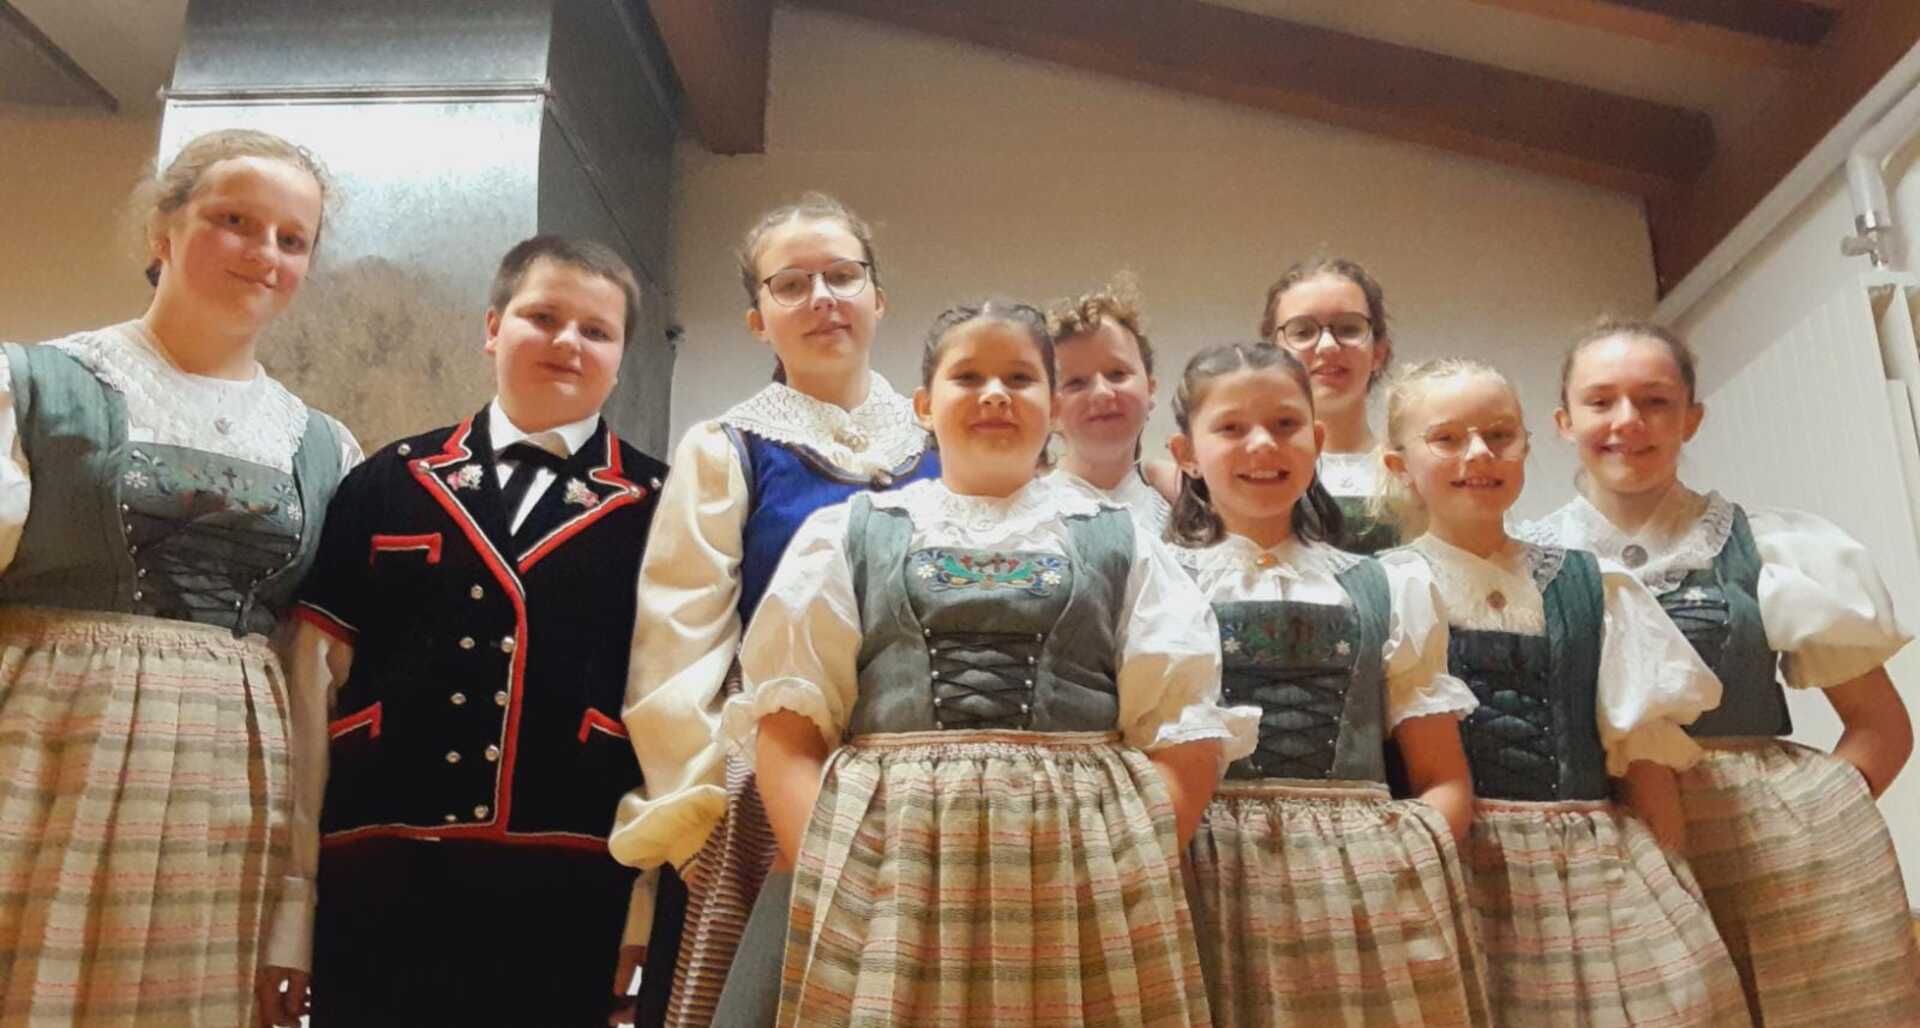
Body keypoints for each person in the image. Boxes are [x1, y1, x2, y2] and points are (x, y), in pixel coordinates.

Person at [727, 300, 1246, 1025]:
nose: (995, 394)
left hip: (1081, 883)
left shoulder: (1121, 540)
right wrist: (837, 868)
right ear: (923, 405)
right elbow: (789, 726)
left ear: (1053, 406)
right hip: (885, 878)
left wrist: (1125, 861)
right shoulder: (847, 534)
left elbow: (1185, 730)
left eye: (1020, 378)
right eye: (968, 377)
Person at [0, 128, 359, 1027]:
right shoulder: (31, 383)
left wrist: (301, 887)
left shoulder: (325, 446)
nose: (264, 253)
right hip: (45, 748)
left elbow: (309, 667)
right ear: (163, 230)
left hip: (231, 778)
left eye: (292, 238)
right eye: (235, 220)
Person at [264, 236, 671, 1027]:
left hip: (577, 882)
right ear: (492, 327)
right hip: (378, 873)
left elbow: (674, 712)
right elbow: (309, 699)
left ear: (622, 357)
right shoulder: (386, 480)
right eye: (542, 317)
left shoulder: (663, 503)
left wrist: (646, 906)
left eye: (596, 330)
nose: (567, 341)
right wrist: (293, 905)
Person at [1525, 318, 1920, 1024]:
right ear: (1563, 421)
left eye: (1654, 401)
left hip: (1776, 863)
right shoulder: (1521, 562)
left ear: (1692, 418)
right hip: (1602, 857)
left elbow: (1881, 727)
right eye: (1601, 401)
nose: (1627, 421)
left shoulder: (1768, 547)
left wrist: (1816, 822)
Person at [608, 194, 938, 1026]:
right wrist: (702, 825)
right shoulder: (728, 448)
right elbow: (677, 648)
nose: (822, 298)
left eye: (842, 276)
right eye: (791, 285)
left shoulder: (941, 443)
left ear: (878, 298)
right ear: (759, 320)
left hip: (928, 788)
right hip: (777, 792)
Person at [1375, 357, 1748, 1025]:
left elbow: (1642, 756)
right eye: (1447, 439)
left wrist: (1672, 879)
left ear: (1525, 445)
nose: (1478, 454)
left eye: (1499, 435)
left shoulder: (1592, 584)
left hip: (1595, 874)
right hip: (1454, 875)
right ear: (1399, 464)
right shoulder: (1382, 590)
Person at [1166, 342, 1488, 1026]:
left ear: (1315, 439)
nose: (1262, 444)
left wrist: (1404, 854)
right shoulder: (1155, 583)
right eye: (1231, 427)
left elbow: (1443, 774)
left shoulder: (1388, 585)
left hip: (1364, 884)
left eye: (1285, 424)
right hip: (1201, 874)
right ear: (1186, 453)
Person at [1259, 255, 1398, 554]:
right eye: (1303, 332)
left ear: (1379, 353)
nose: (1327, 346)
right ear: (1272, 355)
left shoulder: (1413, 470)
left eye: (1348, 329)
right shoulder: (1248, 471)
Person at [1046, 276, 1173, 537]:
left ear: (1150, 389)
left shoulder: (1191, 518)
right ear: (1049, 410)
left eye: (1117, 374)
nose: (1102, 393)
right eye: (1075, 382)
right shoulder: (1028, 520)